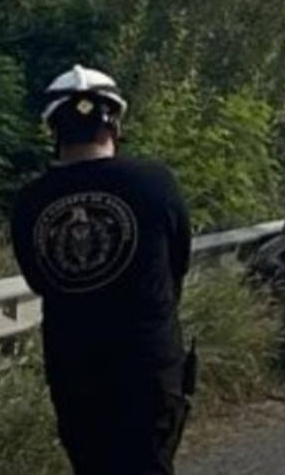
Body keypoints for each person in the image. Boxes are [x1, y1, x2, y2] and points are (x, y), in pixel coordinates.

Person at [10, 65, 194, 475]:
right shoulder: (155, 183)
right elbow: (178, 262)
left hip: (74, 370)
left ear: (53, 129)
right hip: (149, 366)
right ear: (115, 122)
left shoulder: (30, 201)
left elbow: (39, 280)